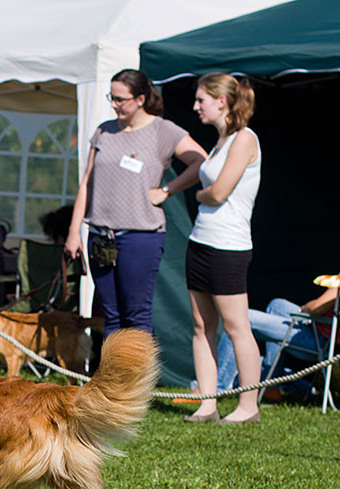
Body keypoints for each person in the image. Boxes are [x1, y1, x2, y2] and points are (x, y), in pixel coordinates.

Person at [65, 68, 206, 337]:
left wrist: (167, 190)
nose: (114, 105)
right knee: (111, 314)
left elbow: (202, 162)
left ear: (140, 99)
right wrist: (74, 233)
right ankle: (114, 379)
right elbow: (87, 183)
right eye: (112, 98)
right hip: (100, 237)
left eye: (120, 99)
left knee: (136, 314)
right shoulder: (104, 132)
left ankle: (139, 379)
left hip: (140, 237)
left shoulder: (163, 130)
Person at [183, 73, 262, 424]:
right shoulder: (220, 141)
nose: (196, 106)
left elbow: (217, 193)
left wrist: (199, 195)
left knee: (236, 326)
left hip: (228, 246)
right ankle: (208, 403)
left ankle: (248, 407)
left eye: (201, 100)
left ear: (222, 101)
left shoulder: (245, 139)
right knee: (202, 325)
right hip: (200, 241)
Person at [216, 284, 337, 402]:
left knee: (240, 319)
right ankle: (270, 384)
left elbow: (315, 308)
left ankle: (216, 389)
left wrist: (304, 310)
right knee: (277, 305)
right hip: (322, 329)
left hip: (322, 342)